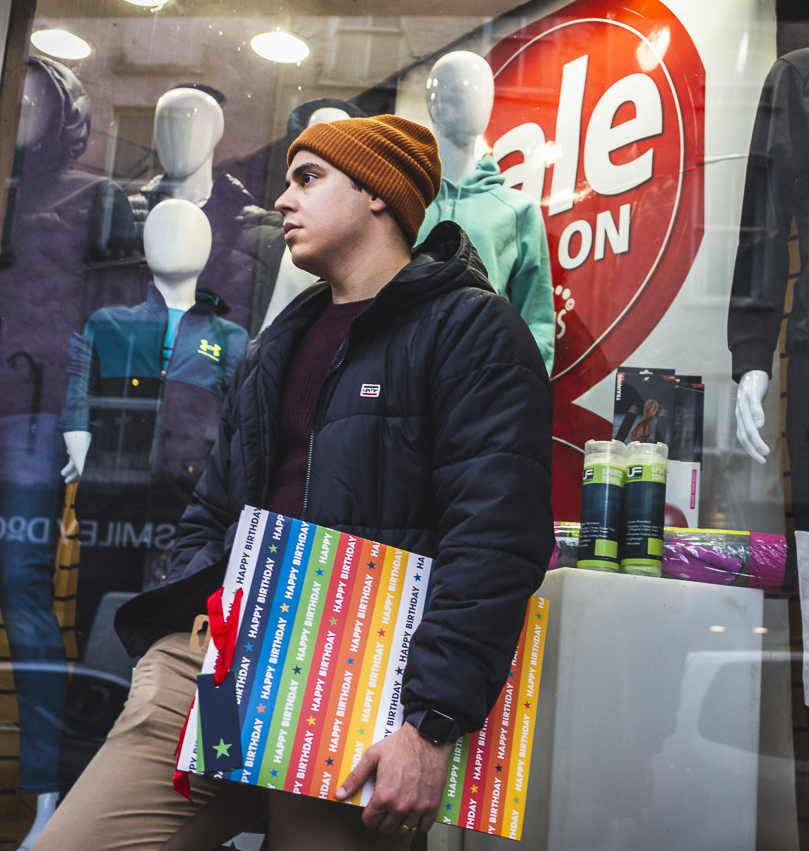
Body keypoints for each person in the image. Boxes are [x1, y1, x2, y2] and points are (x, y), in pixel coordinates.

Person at [33, 114, 554, 850]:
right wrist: (183, 635)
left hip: (362, 687)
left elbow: (496, 540)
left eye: (308, 178)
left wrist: (432, 722)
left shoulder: (473, 330)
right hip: (220, 661)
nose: (282, 199)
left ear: (378, 194)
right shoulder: (278, 341)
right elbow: (213, 506)